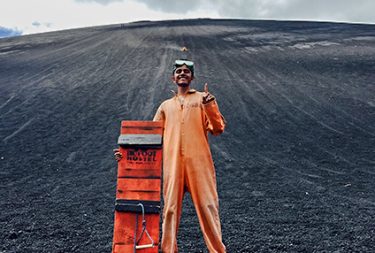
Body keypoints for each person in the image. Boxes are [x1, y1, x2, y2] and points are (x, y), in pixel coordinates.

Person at [115, 58, 226, 253]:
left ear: (192, 77)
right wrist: (126, 156)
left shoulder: (202, 99)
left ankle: (218, 251)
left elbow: (217, 129)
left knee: (208, 207)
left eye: (186, 71)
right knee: (170, 210)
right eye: (179, 71)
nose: (182, 73)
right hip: (173, 166)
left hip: (200, 165)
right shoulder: (165, 106)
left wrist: (210, 106)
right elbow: (151, 138)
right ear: (173, 78)